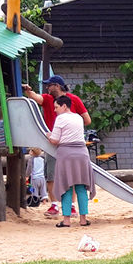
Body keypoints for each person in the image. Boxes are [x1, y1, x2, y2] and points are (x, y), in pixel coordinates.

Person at [22, 76, 91, 217]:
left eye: (49, 85)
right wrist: (29, 91)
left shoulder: (74, 100)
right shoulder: (48, 99)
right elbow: (36, 97)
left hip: (66, 144)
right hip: (59, 145)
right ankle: (55, 205)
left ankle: (71, 206)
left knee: (72, 176)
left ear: (57, 86)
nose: (47, 88)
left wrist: (69, 129)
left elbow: (87, 120)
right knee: (52, 174)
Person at [48, 94, 94, 228]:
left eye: (56, 107)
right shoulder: (79, 117)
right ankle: (83, 219)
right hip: (82, 153)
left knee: (66, 186)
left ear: (63, 106)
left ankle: (66, 220)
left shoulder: (61, 118)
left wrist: (48, 136)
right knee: (81, 186)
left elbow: (55, 140)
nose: (55, 110)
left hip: (66, 154)